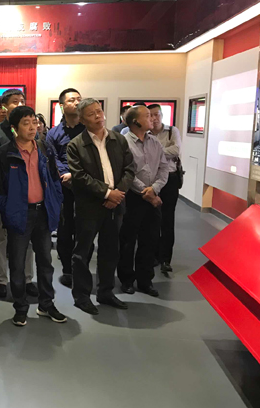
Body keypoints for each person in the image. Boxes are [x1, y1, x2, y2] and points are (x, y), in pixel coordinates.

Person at [0, 106, 66, 326]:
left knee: (45, 262)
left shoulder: (44, 148)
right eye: (26, 123)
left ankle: (46, 304)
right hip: (19, 215)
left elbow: (54, 179)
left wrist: (55, 201)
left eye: (34, 122)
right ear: (14, 128)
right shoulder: (3, 154)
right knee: (17, 264)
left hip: (43, 212)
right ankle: (20, 307)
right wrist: (9, 210)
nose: (33, 127)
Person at [67, 98, 135, 315]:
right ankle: (81, 296)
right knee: (82, 252)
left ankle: (106, 292)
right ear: (82, 119)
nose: (98, 116)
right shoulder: (76, 144)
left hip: (115, 204)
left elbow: (130, 169)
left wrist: (117, 194)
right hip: (89, 206)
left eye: (99, 111)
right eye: (91, 114)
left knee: (110, 250)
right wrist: (107, 193)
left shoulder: (118, 139)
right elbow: (79, 176)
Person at [0, 89, 36, 298]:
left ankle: (27, 278)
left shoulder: (33, 131)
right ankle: (0, 280)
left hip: (28, 195)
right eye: (15, 101)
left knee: (28, 240)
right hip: (5, 193)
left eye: (22, 100)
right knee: (0, 239)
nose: (19, 104)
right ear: (4, 107)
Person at [118, 105, 169, 297]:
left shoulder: (154, 142)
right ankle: (126, 279)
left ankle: (145, 280)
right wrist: (144, 191)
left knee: (150, 240)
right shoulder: (123, 142)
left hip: (153, 196)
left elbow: (164, 168)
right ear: (135, 122)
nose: (153, 119)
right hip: (132, 197)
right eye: (147, 116)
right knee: (128, 241)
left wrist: (154, 190)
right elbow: (125, 172)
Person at [46, 88, 85, 289]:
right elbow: (53, 158)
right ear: (62, 106)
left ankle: (81, 268)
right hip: (63, 188)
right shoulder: (53, 133)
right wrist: (65, 174)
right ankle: (68, 269)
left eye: (79, 99)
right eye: (71, 100)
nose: (76, 102)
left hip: (86, 186)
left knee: (85, 230)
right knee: (65, 229)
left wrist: (76, 174)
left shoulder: (89, 130)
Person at [148, 104, 182, 273]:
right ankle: (153, 255)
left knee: (168, 219)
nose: (154, 118)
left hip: (170, 179)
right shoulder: (145, 134)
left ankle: (165, 258)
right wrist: (163, 152)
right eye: (151, 115)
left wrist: (155, 152)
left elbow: (176, 150)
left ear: (162, 115)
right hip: (152, 180)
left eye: (157, 114)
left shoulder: (172, 131)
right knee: (152, 219)